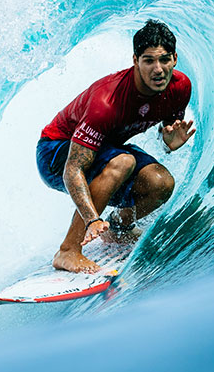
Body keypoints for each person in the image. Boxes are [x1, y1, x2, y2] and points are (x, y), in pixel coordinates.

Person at [36, 19, 196, 273]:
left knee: (161, 183)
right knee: (123, 161)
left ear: (175, 58)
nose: (158, 69)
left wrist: (169, 144)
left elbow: (167, 131)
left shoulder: (179, 87)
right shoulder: (107, 101)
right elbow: (72, 169)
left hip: (106, 148)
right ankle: (68, 250)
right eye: (148, 61)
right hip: (55, 152)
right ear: (135, 60)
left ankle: (117, 230)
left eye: (164, 60)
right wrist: (92, 219)